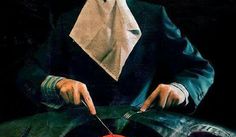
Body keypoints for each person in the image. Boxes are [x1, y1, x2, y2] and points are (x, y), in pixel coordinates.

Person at [17, 0, 214, 115]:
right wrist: (58, 84)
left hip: (138, 123)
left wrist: (179, 88)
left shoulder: (153, 15)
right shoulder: (67, 21)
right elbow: (29, 72)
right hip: (77, 125)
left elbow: (201, 69)